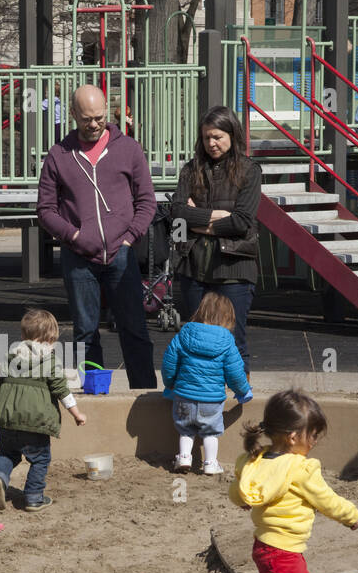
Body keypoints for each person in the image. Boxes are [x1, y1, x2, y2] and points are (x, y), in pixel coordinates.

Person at [37, 84, 158, 390]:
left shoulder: (128, 149)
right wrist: (74, 235)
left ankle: (144, 393)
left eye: (99, 117)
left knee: (134, 328)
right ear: (74, 114)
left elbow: (147, 201)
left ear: (108, 111)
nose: (93, 124)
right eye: (86, 118)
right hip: (79, 257)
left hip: (122, 254)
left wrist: (130, 238)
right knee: (85, 332)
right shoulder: (59, 155)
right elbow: (46, 210)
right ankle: (93, 393)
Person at [231, 389, 358, 573]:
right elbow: (326, 499)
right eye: (312, 436)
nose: (314, 442)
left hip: (266, 547)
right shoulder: (300, 468)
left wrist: (243, 499)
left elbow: (237, 489)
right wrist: (352, 516)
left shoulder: (255, 459)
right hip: (283, 552)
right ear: (293, 437)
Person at [167, 106, 261, 382]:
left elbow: (242, 222)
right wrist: (216, 218)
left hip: (234, 268)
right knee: (196, 340)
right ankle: (199, 396)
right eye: (207, 137)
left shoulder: (249, 171)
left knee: (232, 340)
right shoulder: (191, 169)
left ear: (232, 134)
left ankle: (238, 395)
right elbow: (176, 213)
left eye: (218, 136)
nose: (212, 143)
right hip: (193, 267)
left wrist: (198, 222)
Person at [0, 309, 86, 514]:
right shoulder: (49, 360)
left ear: (24, 336)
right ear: (49, 339)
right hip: (35, 423)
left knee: (7, 452)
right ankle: (33, 497)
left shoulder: (9, 356)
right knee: (40, 459)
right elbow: (61, 391)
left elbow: (1, 381)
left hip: (8, 419)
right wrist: (77, 414)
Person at [161, 292, 252, 475]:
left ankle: (184, 457)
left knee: (185, 429)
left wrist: (170, 384)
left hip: (184, 396)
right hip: (211, 400)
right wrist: (243, 391)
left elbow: (169, 364)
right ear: (228, 317)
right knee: (211, 432)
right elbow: (234, 372)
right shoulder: (227, 341)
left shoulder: (184, 334)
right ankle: (210, 463)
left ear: (200, 311)